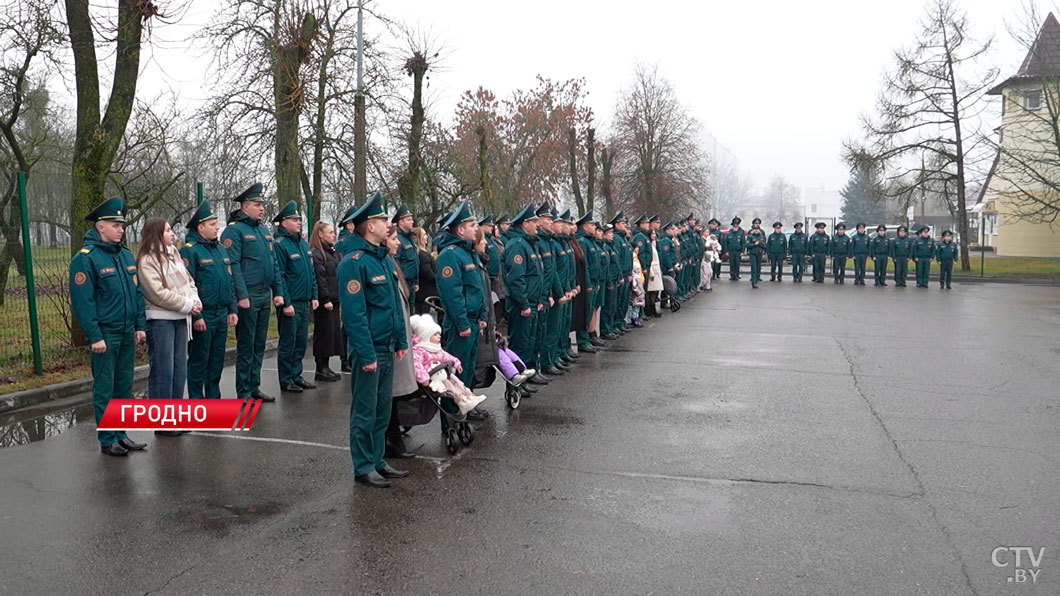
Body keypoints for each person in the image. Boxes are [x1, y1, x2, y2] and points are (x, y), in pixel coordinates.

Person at [337, 193, 410, 488]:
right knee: (365, 410)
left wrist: (402, 340)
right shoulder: (353, 263)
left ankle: (378, 459)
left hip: (387, 346)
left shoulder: (380, 259)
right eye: (381, 220)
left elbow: (394, 304)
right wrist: (366, 354)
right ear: (369, 226)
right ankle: (364, 465)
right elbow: (354, 317)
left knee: (382, 409)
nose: (386, 224)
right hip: (370, 350)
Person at [69, 197, 147, 456]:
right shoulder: (86, 259)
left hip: (126, 330)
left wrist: (139, 325)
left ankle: (121, 434)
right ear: (100, 226)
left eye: (121, 224)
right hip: (105, 334)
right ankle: (107, 439)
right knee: (105, 386)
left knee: (124, 385)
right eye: (115, 224)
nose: (121, 229)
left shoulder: (124, 254)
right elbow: (84, 302)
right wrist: (95, 335)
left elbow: (136, 292)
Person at [221, 183, 287, 402]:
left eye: (262, 205)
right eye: (257, 204)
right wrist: (242, 296)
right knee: (246, 344)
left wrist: (278, 291)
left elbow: (273, 262)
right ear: (245, 206)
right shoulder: (234, 230)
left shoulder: (263, 229)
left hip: (264, 293)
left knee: (259, 343)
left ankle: (254, 386)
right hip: (248, 294)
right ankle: (243, 391)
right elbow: (234, 265)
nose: (261, 208)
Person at [138, 217, 201, 437]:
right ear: (156, 234)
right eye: (167, 230)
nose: (172, 233)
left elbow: (188, 281)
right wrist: (186, 305)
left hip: (180, 318)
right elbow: (156, 292)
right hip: (161, 320)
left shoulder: (173, 253)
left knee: (179, 369)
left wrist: (194, 299)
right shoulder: (147, 260)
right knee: (163, 371)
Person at [434, 200, 491, 420]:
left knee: (467, 369)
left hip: (473, 321)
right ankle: (451, 416)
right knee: (454, 374)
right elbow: (452, 294)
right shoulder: (450, 254)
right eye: (471, 225)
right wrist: (463, 323)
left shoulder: (469, 253)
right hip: (461, 325)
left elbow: (479, 288)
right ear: (460, 229)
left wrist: (483, 316)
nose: (475, 229)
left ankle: (467, 405)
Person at [182, 200, 239, 400]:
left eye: (217, 223)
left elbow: (229, 280)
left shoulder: (220, 249)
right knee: (199, 360)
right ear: (201, 227)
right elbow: (188, 287)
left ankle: (213, 398)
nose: (217, 227)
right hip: (203, 314)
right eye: (213, 224)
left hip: (221, 313)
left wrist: (232, 309)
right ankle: (197, 401)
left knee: (216, 360)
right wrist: (196, 315)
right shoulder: (190, 250)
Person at [272, 201, 318, 394]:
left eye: (299, 219)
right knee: (288, 343)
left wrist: (314, 295)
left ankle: (297, 375)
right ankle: (286, 379)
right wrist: (286, 303)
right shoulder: (281, 245)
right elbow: (280, 275)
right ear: (284, 223)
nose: (298, 222)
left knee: (300, 342)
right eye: (294, 219)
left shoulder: (302, 243)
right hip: (291, 303)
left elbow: (311, 272)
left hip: (304, 301)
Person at [385, 225, 420, 458]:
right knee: (387, 396)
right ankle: (390, 443)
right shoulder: (378, 264)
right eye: (394, 238)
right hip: (386, 343)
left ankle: (394, 440)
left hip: (397, 340)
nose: (398, 243)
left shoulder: (390, 264)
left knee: (393, 395)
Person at [408, 314, 487, 416]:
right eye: (435, 335)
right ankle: (463, 401)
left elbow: (447, 356)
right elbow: (417, 366)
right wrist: (423, 379)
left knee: (457, 382)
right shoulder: (419, 351)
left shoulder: (436, 349)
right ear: (426, 337)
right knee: (450, 386)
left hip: (441, 373)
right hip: (433, 378)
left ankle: (468, 395)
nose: (439, 336)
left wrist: (456, 362)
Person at [502, 204, 547, 383]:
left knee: (531, 342)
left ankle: (529, 374)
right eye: (534, 221)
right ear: (524, 223)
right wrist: (524, 304)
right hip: (522, 305)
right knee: (521, 344)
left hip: (533, 302)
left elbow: (537, 275)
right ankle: (517, 381)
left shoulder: (530, 243)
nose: (537, 224)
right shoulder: (517, 246)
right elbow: (516, 279)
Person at [309, 221, 343, 382]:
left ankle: (326, 366)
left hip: (335, 299)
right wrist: (325, 299)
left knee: (332, 335)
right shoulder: (317, 253)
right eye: (330, 232)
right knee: (324, 335)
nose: (333, 234)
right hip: (326, 302)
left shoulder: (332, 252)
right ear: (320, 234)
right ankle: (320, 368)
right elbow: (320, 278)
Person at [392, 204, 419, 308]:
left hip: (412, 283)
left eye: (411, 219)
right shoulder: (398, 239)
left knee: (411, 310)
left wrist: (416, 281)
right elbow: (396, 262)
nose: (412, 222)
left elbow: (415, 261)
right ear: (401, 222)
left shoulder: (410, 238)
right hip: (404, 282)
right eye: (408, 219)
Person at [631, 215, 656, 317]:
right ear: (641, 224)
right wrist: (644, 267)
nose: (648, 225)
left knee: (643, 290)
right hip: (642, 268)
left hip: (646, 266)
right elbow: (641, 253)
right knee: (640, 291)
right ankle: (639, 313)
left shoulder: (644, 236)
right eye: (646, 223)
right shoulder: (640, 236)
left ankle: (641, 313)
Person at [413, 227, 437, 316]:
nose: (426, 237)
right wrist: (437, 279)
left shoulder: (423, 252)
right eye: (424, 235)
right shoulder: (421, 254)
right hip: (424, 293)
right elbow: (427, 272)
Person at [646, 228, 664, 316]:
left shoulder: (653, 244)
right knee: (650, 291)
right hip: (652, 269)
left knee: (655, 291)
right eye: (652, 234)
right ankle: (650, 309)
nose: (654, 235)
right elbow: (650, 259)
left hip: (656, 269)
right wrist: (652, 272)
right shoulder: (649, 244)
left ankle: (652, 308)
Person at [627, 246, 646, 326]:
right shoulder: (632, 257)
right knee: (633, 300)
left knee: (639, 300)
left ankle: (636, 316)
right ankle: (631, 317)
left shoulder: (637, 258)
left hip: (639, 280)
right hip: (635, 281)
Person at [745, 217, 767, 289]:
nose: (756, 231)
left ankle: (757, 279)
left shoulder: (762, 236)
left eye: (757, 229)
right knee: (754, 268)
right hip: (753, 254)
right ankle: (754, 282)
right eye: (755, 229)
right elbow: (747, 245)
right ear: (753, 230)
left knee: (758, 267)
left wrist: (761, 245)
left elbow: (764, 245)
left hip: (759, 253)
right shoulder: (750, 237)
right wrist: (755, 244)